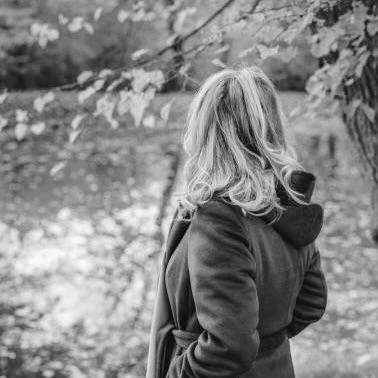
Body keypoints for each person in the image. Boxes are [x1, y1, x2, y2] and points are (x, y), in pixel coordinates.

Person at [146, 66, 328, 378]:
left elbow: (228, 346)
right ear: (270, 127)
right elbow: (311, 303)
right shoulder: (288, 204)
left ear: (206, 130)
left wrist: (176, 373)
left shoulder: (220, 218)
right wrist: (268, 344)